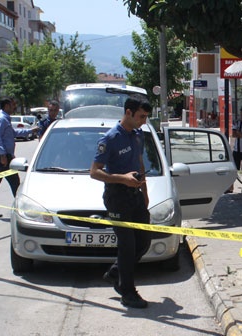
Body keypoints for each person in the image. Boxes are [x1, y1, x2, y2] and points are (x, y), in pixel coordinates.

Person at [89, 97, 152, 309]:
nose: (144, 121)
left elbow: (140, 162)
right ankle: (127, 292)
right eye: (141, 116)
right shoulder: (110, 138)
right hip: (117, 197)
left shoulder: (138, 135)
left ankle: (116, 272)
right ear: (128, 112)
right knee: (127, 245)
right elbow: (94, 172)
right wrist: (122, 178)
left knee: (143, 241)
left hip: (135, 196)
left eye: (146, 117)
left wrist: (144, 191)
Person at [0, 98, 38, 219]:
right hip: (0, 157)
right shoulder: (1, 119)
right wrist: (2, 155)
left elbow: (12, 133)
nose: (14, 107)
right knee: (15, 183)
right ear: (7, 106)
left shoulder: (4, 118)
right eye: (13, 105)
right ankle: (24, 212)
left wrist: (30, 130)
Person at [231, 107, 242, 194]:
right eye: (241, 114)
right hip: (236, 150)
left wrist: (239, 133)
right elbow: (233, 134)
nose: (241, 116)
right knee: (234, 169)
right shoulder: (237, 122)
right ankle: (231, 186)